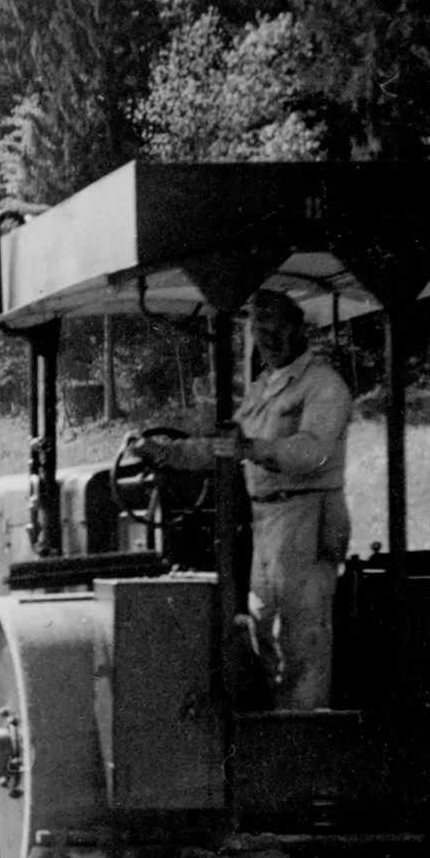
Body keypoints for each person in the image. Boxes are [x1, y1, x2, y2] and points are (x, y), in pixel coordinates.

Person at [133, 289, 353, 710]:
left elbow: (313, 452)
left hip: (307, 516)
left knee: (302, 638)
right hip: (268, 525)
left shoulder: (324, 385)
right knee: (264, 632)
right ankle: (284, 734)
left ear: (298, 328)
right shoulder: (263, 389)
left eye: (274, 328)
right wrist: (163, 452)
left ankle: (304, 741)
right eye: (258, 329)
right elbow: (223, 445)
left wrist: (250, 448)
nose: (266, 338)